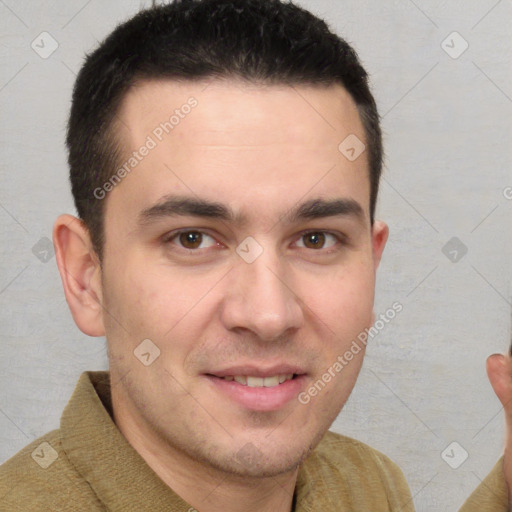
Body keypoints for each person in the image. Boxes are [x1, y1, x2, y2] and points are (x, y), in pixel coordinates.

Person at [0, 0, 509, 510]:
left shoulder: (364, 484)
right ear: (86, 277)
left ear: (372, 265)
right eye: (192, 239)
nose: (268, 314)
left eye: (316, 239)